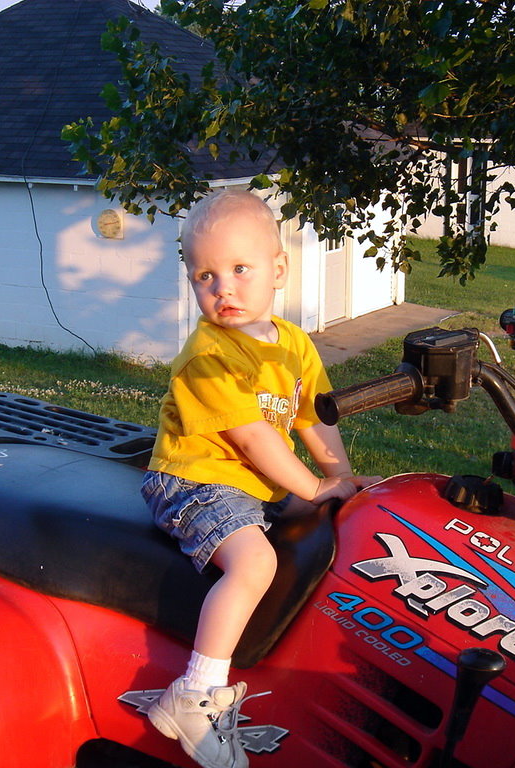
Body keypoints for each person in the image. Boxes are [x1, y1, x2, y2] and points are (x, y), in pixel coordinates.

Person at [140, 189, 378, 768]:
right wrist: (312, 487)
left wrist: (340, 476)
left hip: (250, 486)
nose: (223, 289)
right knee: (256, 563)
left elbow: (312, 415)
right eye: (205, 276)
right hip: (194, 482)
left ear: (278, 270)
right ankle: (196, 693)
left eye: (239, 270)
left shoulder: (293, 344)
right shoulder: (208, 355)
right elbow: (253, 437)